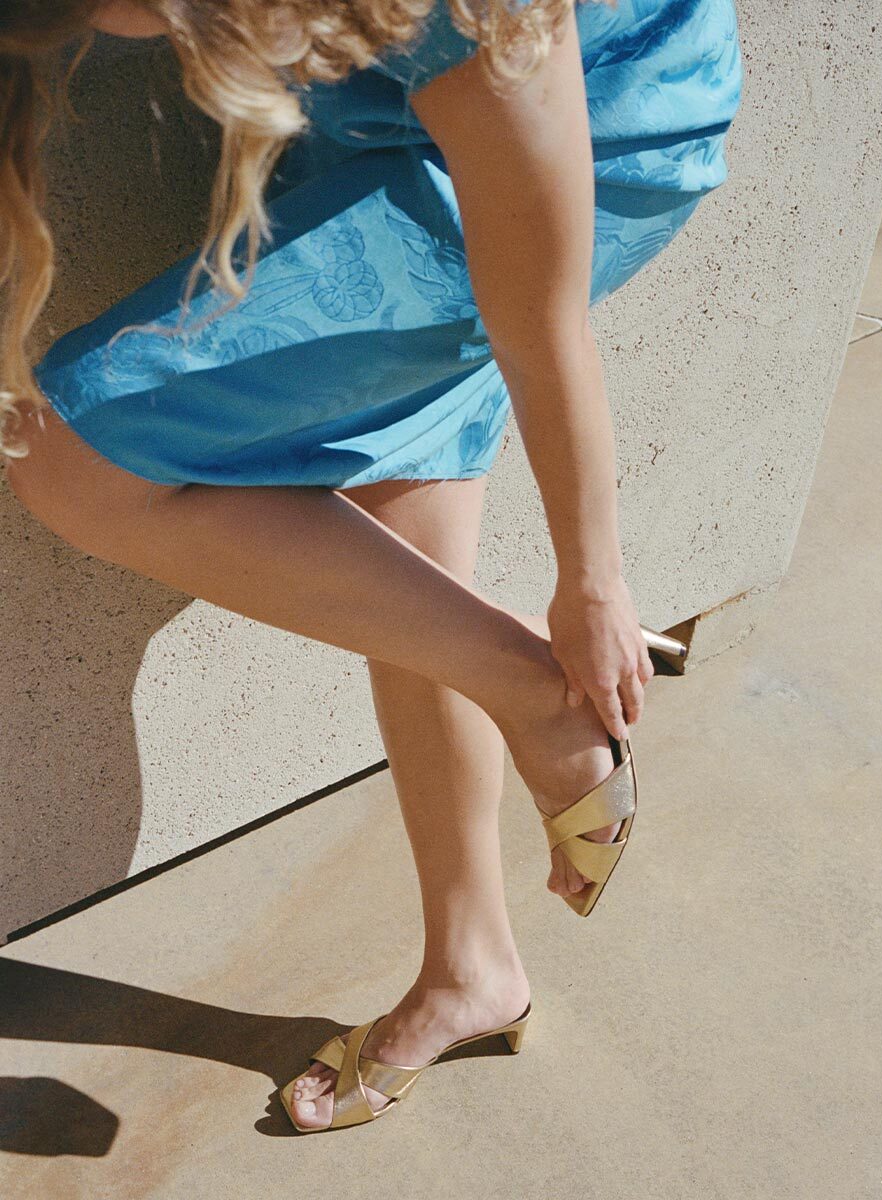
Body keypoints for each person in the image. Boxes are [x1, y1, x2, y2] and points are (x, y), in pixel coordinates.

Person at [0, 0, 743, 1132]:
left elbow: (541, 325)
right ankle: (473, 968)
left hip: (593, 129)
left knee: (69, 458)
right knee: (406, 556)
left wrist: (591, 584)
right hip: (385, 102)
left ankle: (535, 698)